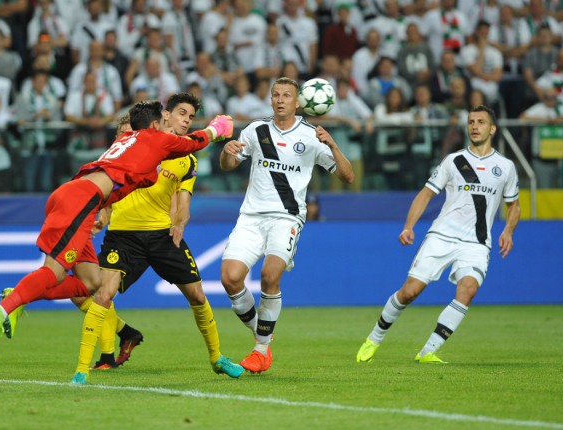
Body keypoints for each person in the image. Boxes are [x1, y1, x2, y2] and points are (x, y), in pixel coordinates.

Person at [0, 101, 234, 359]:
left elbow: (128, 180)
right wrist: (217, 128)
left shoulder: (126, 142)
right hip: (81, 200)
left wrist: (98, 217)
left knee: (91, 282)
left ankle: (21, 296)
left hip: (77, 198)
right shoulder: (153, 139)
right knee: (53, 273)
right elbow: (194, 143)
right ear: (156, 124)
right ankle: (0, 310)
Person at [71, 93, 244, 383]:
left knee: (198, 295)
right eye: (182, 114)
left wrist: (179, 223)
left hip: (162, 236)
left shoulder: (186, 160)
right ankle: (80, 370)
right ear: (166, 116)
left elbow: (183, 201)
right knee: (103, 294)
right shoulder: (137, 140)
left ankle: (217, 358)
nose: (187, 120)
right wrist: (102, 214)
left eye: (191, 116)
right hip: (123, 236)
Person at [356, 105, 520, 364]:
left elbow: (514, 206)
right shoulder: (454, 161)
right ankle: (374, 338)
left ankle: (428, 351)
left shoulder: (506, 167)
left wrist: (508, 231)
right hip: (442, 236)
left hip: (477, 243)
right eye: (470, 122)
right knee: (410, 292)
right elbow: (426, 194)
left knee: (468, 289)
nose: (474, 126)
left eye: (480, 122)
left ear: (492, 128)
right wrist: (408, 226)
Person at [219, 77, 355, 373]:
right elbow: (228, 165)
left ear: (298, 102)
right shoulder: (256, 130)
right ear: (271, 100)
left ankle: (260, 350)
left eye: (287, 95)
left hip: (286, 218)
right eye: (276, 95)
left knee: (269, 276)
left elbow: (348, 176)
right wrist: (226, 153)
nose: (280, 100)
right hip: (251, 217)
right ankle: (262, 333)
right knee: (230, 279)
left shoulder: (311, 136)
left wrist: (332, 144)